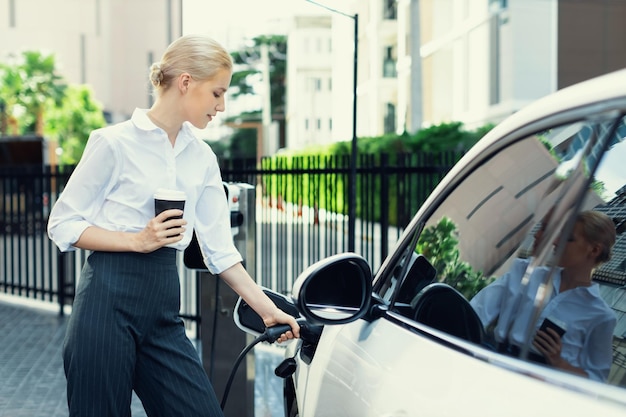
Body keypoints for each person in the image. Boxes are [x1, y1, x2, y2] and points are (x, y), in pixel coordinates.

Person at [47, 34, 300, 417]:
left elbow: (220, 251)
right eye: (217, 93)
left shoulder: (201, 157)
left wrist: (267, 310)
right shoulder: (113, 143)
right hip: (104, 307)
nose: (222, 105)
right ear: (185, 82)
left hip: (163, 312)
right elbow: (62, 223)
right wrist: (137, 241)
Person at [470, 210, 617, 382]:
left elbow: (596, 381)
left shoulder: (601, 316)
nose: (555, 241)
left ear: (593, 250)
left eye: (567, 238)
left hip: (541, 393)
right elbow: (474, 314)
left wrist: (559, 363)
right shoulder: (525, 274)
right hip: (491, 371)